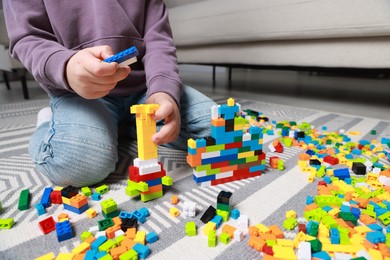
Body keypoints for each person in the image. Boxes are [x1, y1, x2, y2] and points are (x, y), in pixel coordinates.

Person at [3, 1, 215, 187]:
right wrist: (66, 66)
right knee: (77, 163)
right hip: (78, 93)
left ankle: (124, 127)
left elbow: (158, 37)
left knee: (218, 129)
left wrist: (164, 90)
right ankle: (48, 123)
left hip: (145, 87)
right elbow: (27, 38)